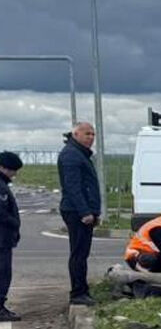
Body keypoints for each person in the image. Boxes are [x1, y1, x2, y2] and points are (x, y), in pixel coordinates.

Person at [58, 122, 101, 306]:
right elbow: (73, 187)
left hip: (82, 210)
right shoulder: (71, 155)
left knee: (82, 253)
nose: (91, 138)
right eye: (87, 134)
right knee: (78, 254)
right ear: (76, 134)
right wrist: (85, 212)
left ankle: (82, 290)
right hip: (76, 211)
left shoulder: (79, 153)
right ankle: (78, 293)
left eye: (93, 134)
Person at [0, 151, 22, 322]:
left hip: (4, 237)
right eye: (12, 170)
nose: (14, 174)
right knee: (3, 272)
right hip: (2, 238)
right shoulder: (1, 187)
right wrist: (14, 223)